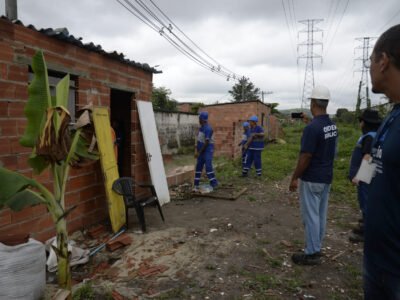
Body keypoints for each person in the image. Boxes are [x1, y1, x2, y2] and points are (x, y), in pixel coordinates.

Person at [363, 24, 400, 298]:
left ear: (383, 61)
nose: (370, 69)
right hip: (378, 259)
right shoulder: (392, 115)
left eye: (371, 62)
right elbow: (377, 159)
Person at [289, 85, 338, 265]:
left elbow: (306, 155)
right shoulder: (331, 126)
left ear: (313, 102)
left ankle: (312, 253)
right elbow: (320, 135)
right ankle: (316, 246)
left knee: (310, 216)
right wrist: (309, 122)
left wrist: (295, 177)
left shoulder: (312, 129)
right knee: (320, 214)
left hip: (312, 179)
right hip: (326, 177)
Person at [348, 109, 381, 243]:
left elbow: (367, 156)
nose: (360, 124)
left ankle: (366, 233)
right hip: (370, 177)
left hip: (365, 178)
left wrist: (359, 177)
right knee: (367, 203)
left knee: (366, 203)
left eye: (360, 121)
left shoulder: (369, 137)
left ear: (364, 123)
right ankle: (364, 226)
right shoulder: (376, 135)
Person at [193, 111, 218, 192]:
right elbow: (200, 139)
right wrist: (196, 148)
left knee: (208, 167)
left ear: (203, 119)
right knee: (198, 167)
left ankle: (214, 183)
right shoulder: (201, 128)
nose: (198, 120)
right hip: (201, 150)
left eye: (199, 118)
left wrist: (199, 152)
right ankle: (196, 185)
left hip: (207, 150)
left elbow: (206, 142)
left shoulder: (208, 129)